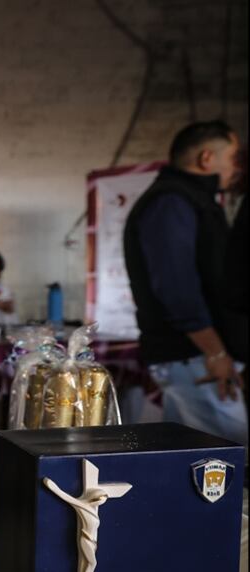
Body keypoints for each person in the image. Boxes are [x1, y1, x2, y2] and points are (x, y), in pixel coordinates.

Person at [124, 120, 246, 445]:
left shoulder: (193, 200)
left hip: (196, 355)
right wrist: (216, 353)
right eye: (234, 157)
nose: (238, 167)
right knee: (228, 456)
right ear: (207, 158)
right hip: (193, 356)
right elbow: (176, 287)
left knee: (188, 459)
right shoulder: (171, 202)